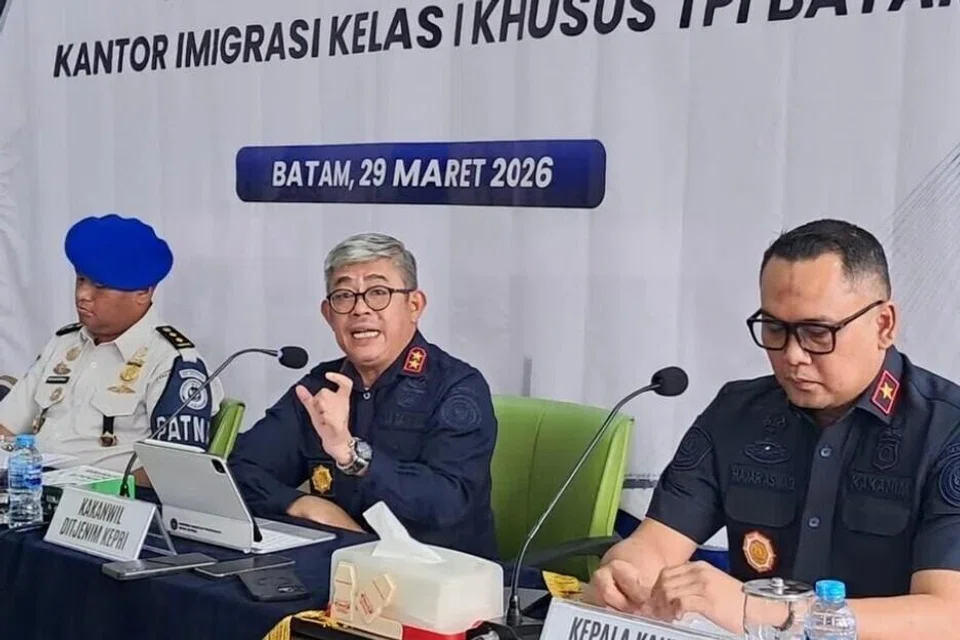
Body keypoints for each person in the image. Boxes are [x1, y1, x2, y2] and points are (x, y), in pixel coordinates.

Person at [587, 219, 960, 639]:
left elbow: (948, 616)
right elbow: (656, 543)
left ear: (884, 325)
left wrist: (772, 613)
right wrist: (625, 575)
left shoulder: (946, 431)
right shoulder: (736, 414)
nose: (793, 355)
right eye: (775, 329)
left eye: (817, 332)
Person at [229, 232, 499, 559]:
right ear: (328, 314)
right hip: (337, 566)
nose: (360, 309)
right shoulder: (321, 388)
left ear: (414, 306)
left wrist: (353, 456)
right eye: (344, 296)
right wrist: (302, 504)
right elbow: (237, 470)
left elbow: (450, 502)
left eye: (378, 292)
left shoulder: (456, 387)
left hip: (437, 573)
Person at [0, 214, 223, 479]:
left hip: (105, 498)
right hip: (30, 488)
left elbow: (175, 471)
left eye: (100, 286)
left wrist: (98, 492)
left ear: (143, 292)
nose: (82, 295)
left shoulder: (173, 362)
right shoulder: (64, 342)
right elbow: (7, 426)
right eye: (81, 280)